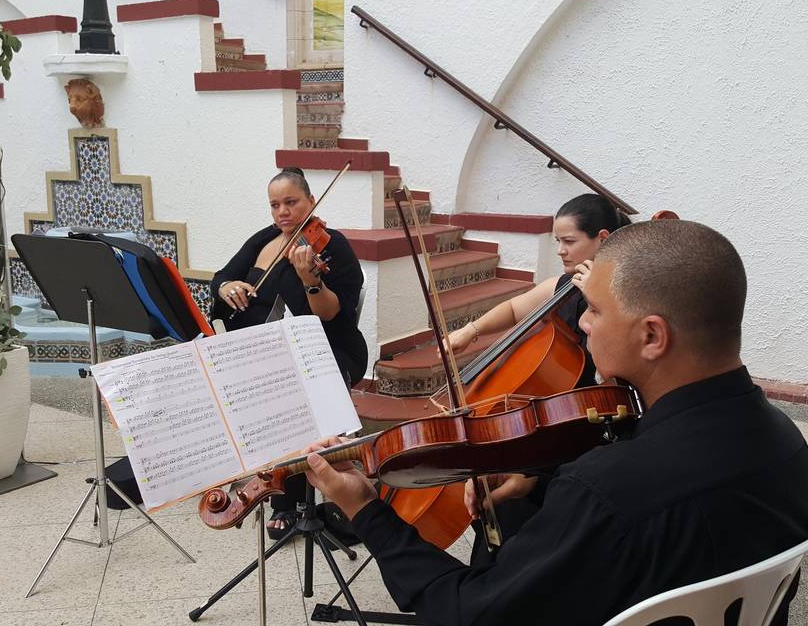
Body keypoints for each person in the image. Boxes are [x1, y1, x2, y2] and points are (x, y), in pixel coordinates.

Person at [304, 219, 808, 625]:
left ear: (653, 336)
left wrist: (366, 510)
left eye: (591, 309)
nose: (581, 323)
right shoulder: (788, 443)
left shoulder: (604, 491)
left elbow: (465, 612)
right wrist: (537, 478)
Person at [448, 193, 631, 560]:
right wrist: (469, 332)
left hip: (591, 428)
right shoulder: (564, 285)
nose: (561, 251)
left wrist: (599, 295)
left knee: (515, 506)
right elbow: (516, 307)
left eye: (569, 241)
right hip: (553, 418)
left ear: (603, 239)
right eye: (557, 242)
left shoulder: (620, 295)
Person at [210, 166, 368, 539]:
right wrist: (228, 286)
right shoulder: (265, 239)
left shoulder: (332, 246)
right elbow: (221, 276)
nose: (282, 212)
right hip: (267, 351)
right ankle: (274, 480)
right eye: (275, 204)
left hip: (329, 351)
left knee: (286, 390)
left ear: (310, 201)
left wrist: (312, 282)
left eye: (291, 202)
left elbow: (334, 316)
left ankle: (292, 499)